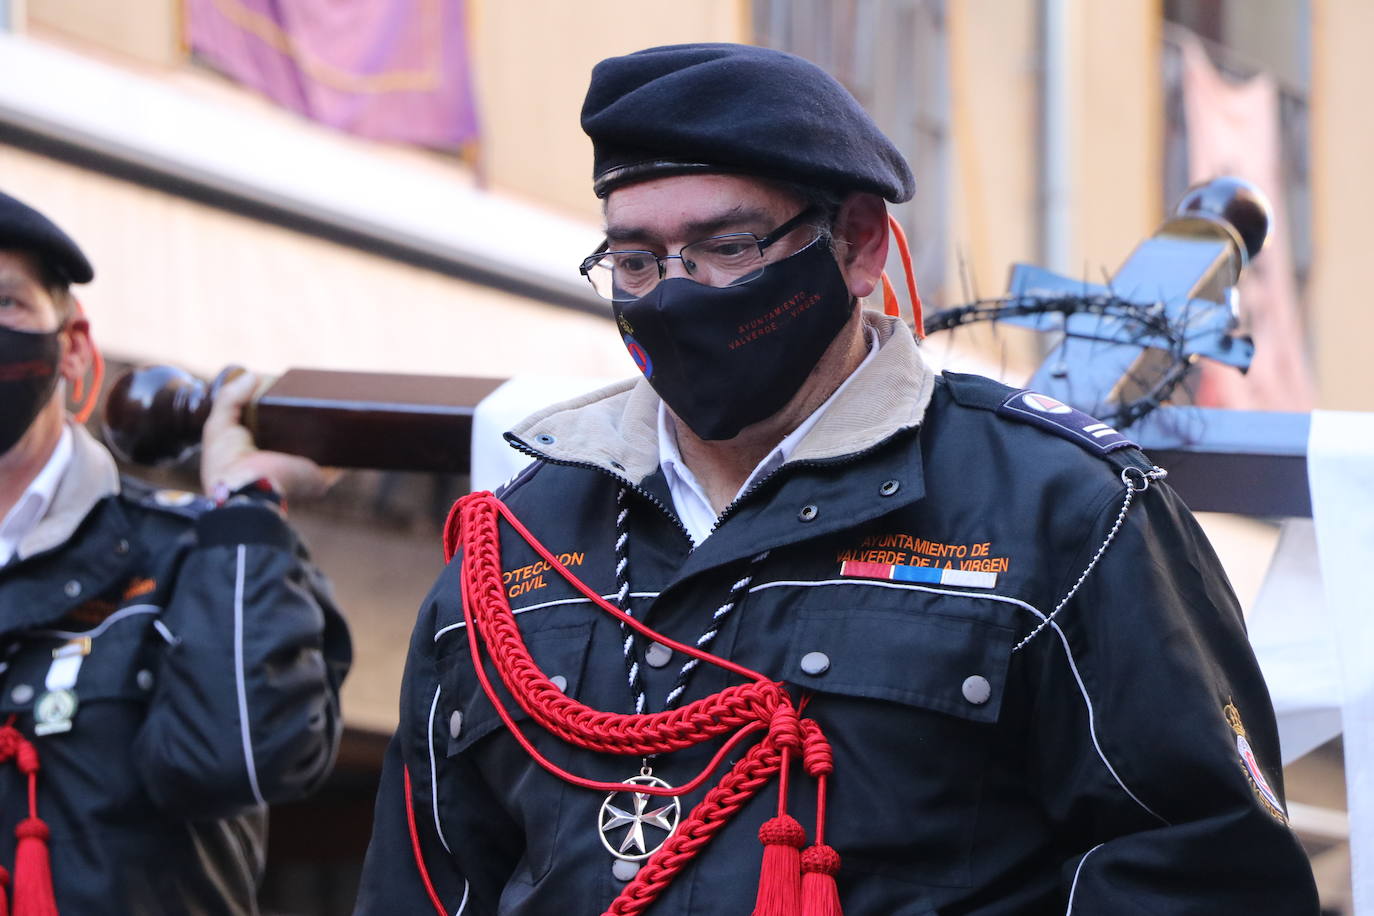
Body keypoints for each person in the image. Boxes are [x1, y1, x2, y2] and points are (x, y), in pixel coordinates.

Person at [356, 43, 1319, 915]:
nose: (675, 294)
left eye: (727, 246)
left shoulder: (1066, 511)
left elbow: (1206, 876)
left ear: (856, 244)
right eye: (638, 260)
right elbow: (427, 882)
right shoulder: (514, 543)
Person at [0, 189, 351, 914]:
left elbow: (244, 755)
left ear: (71, 346)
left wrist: (246, 505)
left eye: (6, 305)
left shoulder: (197, 548)